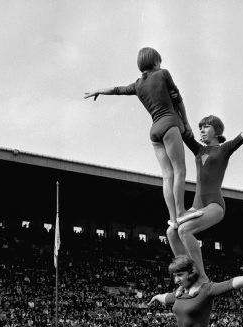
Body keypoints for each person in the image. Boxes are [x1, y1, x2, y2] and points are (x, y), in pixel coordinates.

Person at [84, 47, 202, 228]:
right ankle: (181, 212)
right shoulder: (163, 74)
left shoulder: (138, 84)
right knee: (179, 170)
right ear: (156, 62)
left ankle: (173, 218)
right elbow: (178, 100)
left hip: (154, 131)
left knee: (167, 175)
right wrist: (185, 123)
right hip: (169, 123)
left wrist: (99, 90)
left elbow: (117, 89)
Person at [167, 113, 243, 281]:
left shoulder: (224, 149)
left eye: (206, 127)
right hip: (197, 205)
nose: (201, 130)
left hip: (214, 205)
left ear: (217, 131)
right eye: (200, 128)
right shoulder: (199, 149)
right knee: (171, 232)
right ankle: (185, 274)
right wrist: (170, 107)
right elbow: (183, 132)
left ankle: (201, 277)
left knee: (184, 230)